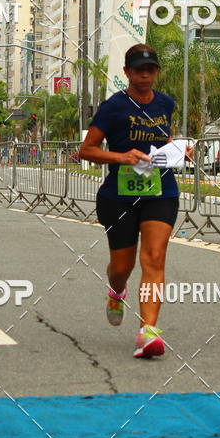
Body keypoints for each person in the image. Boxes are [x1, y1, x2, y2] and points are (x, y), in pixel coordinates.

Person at [79, 45, 193, 359]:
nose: (145, 75)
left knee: (154, 258)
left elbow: (163, 138)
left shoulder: (165, 103)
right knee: (122, 267)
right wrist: (121, 157)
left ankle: (148, 332)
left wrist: (178, 150)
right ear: (127, 72)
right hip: (118, 197)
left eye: (150, 69)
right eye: (139, 70)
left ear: (156, 72)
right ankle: (116, 291)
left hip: (160, 191)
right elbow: (86, 150)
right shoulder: (113, 107)